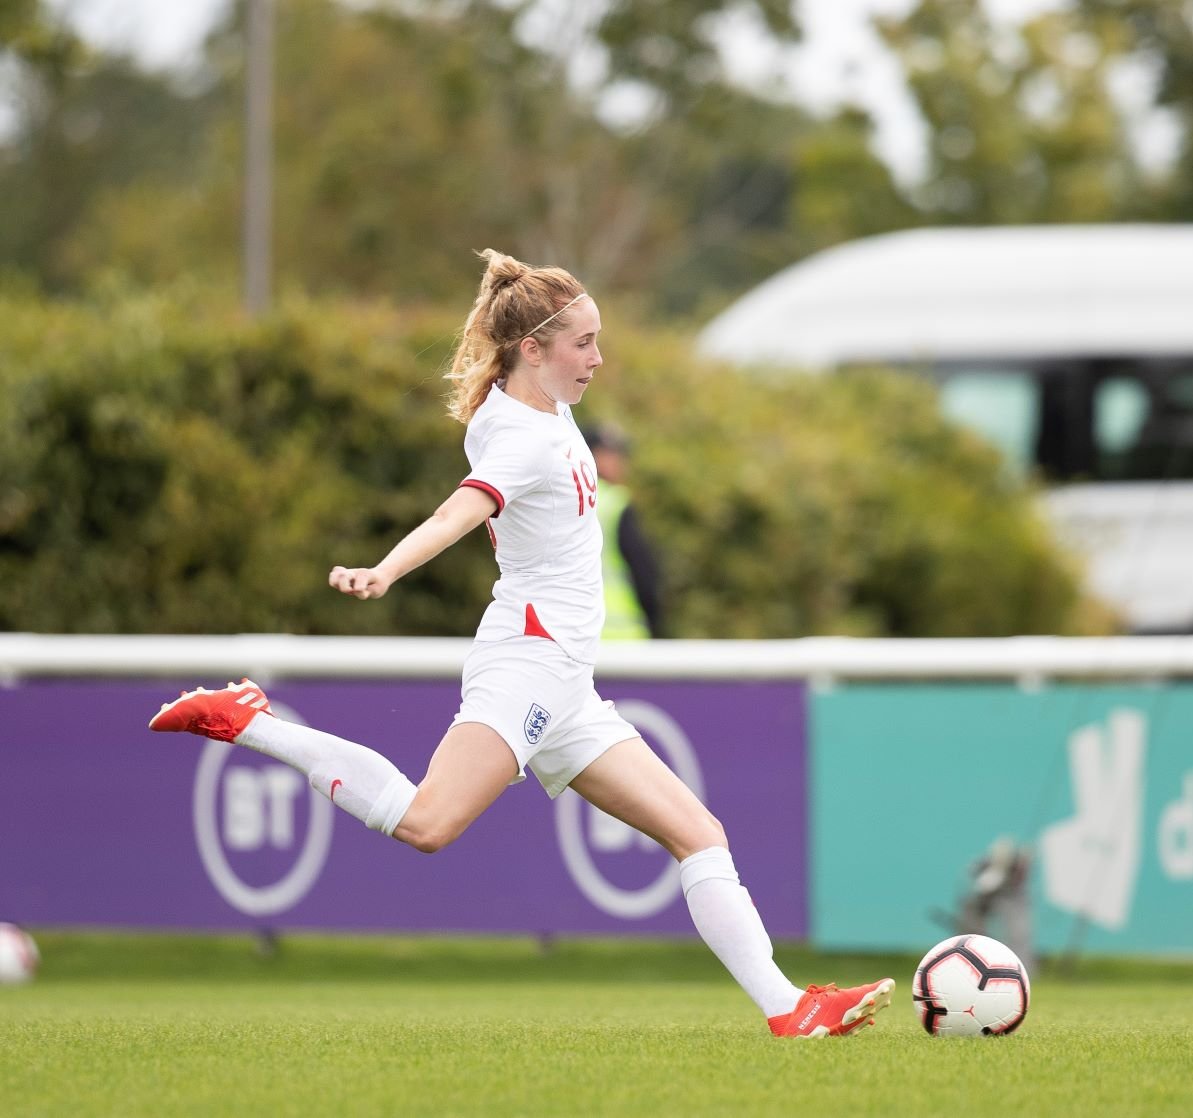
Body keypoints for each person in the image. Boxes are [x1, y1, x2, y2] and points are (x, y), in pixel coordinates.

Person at [149, 249, 894, 1038]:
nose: (598, 358)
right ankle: (246, 721)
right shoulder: (520, 435)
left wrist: (524, 290)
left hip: (567, 681)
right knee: (428, 823)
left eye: (597, 338)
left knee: (699, 833)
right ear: (532, 349)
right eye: (582, 342)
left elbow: (514, 406)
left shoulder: (538, 406)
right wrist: (387, 569)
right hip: (529, 663)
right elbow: (457, 512)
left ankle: (789, 1010)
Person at [583, 422, 663, 640]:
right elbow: (642, 570)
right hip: (620, 633)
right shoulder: (615, 502)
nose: (618, 462)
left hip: (570, 631)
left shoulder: (562, 494)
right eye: (608, 454)